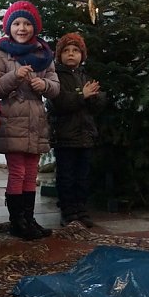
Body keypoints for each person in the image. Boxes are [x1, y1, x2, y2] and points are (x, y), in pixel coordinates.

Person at [0, 0, 60, 240]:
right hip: (13, 119)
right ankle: (17, 220)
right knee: (17, 171)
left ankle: (28, 218)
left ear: (35, 27)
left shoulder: (44, 54)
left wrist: (45, 85)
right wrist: (14, 76)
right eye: (17, 23)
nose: (22, 28)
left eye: (27, 23)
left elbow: (56, 86)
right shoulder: (1, 56)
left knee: (32, 172)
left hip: (35, 120)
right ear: (8, 27)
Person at [47, 33, 106, 228]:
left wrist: (95, 97)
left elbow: (97, 104)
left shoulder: (86, 76)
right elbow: (59, 102)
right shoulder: (56, 77)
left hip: (85, 136)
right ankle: (68, 210)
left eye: (75, 51)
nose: (71, 54)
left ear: (82, 55)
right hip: (65, 136)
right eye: (66, 51)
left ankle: (81, 209)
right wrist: (83, 95)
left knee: (82, 176)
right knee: (66, 176)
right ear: (59, 55)